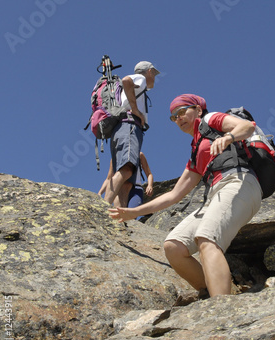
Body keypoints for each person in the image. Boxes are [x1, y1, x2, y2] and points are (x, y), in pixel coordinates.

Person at [109, 94, 262, 297]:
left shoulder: (211, 119)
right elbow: (174, 195)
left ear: (198, 110)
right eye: (174, 116)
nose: (178, 118)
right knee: (174, 246)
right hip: (215, 194)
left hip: (239, 182)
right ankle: (217, 292)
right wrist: (134, 211)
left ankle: (222, 311)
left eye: (182, 111)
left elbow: (248, 126)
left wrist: (228, 137)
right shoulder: (196, 150)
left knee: (206, 238)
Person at [103, 61, 160, 206]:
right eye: (154, 73)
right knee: (127, 169)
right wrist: (135, 110)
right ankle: (103, 207)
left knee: (127, 181)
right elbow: (126, 80)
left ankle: (118, 215)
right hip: (129, 126)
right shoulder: (139, 78)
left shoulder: (138, 86)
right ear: (149, 71)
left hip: (122, 127)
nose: (154, 77)